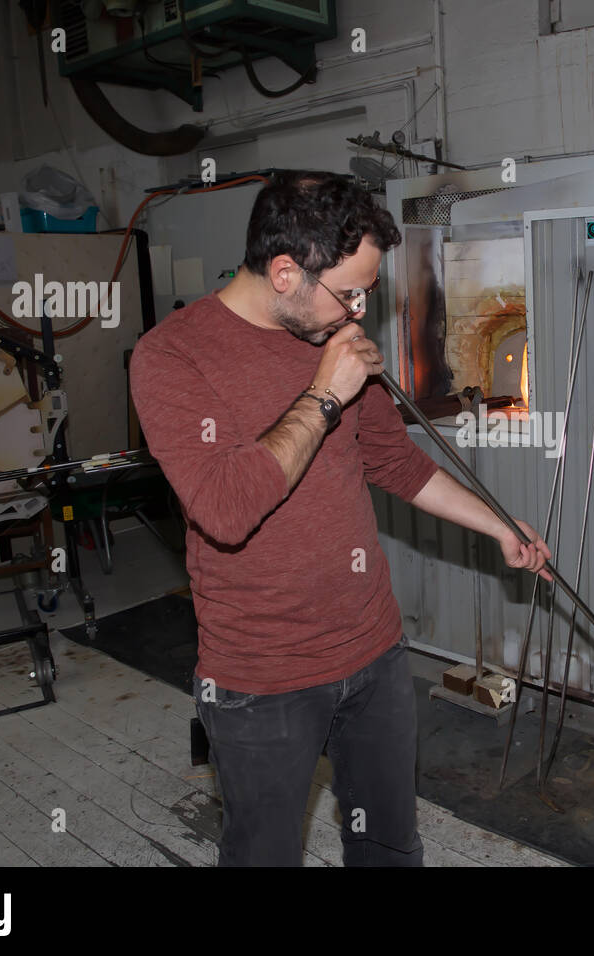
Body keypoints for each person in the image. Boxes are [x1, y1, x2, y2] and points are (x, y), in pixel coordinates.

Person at [129, 171, 550, 866]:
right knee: (263, 855)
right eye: (347, 293)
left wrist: (499, 526)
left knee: (388, 846)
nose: (356, 313)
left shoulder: (334, 338)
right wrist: (324, 393)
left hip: (374, 654)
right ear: (286, 271)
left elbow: (397, 465)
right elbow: (227, 510)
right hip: (260, 677)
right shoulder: (171, 357)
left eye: (366, 294)